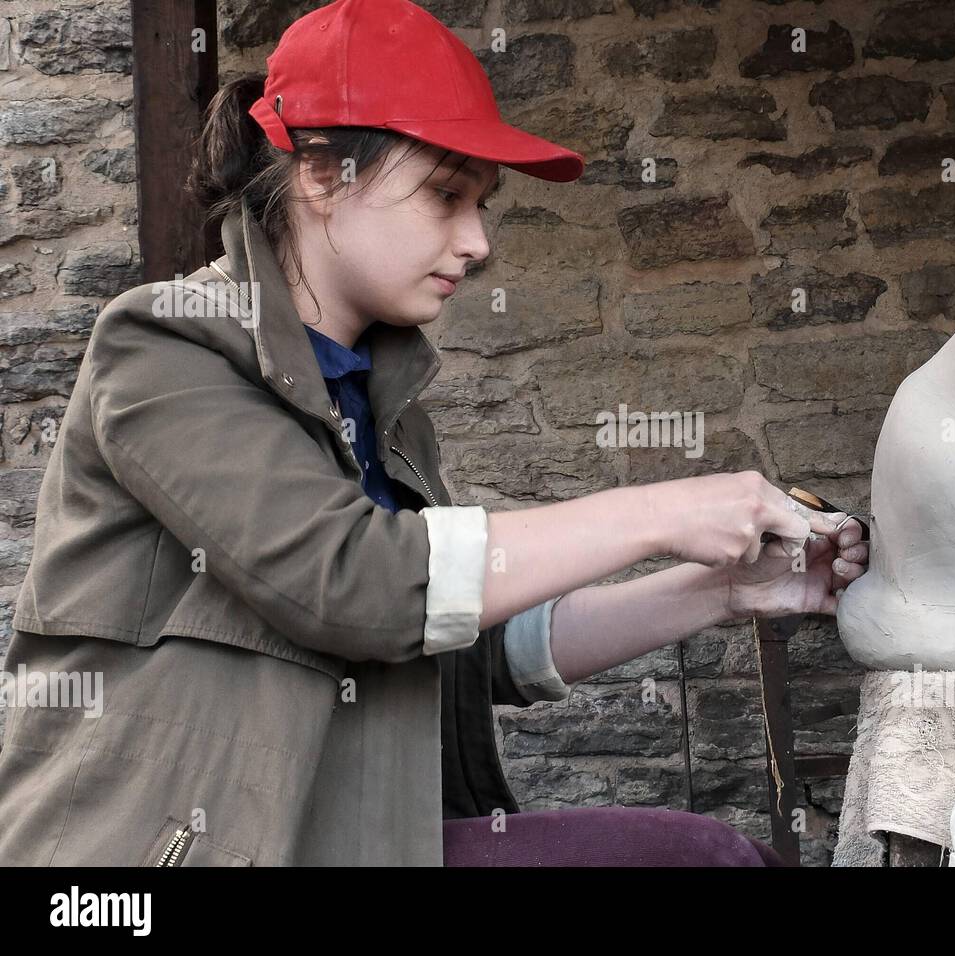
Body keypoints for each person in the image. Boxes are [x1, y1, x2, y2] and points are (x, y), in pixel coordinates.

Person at [0, 0, 866, 866]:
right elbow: (362, 586)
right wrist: (666, 509)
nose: (477, 241)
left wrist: (723, 590)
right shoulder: (163, 346)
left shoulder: (386, 406)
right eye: (446, 196)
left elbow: (469, 650)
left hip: (355, 840)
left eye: (482, 204)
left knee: (696, 856)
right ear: (321, 174)